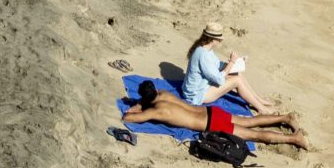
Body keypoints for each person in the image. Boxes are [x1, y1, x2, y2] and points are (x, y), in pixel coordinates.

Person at [120, 82, 308, 149]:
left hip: (210, 123)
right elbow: (148, 100)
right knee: (249, 121)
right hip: (210, 111)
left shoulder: (155, 111)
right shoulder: (163, 94)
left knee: (255, 135)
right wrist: (140, 103)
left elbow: (128, 119)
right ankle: (285, 117)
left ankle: (294, 139)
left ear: (145, 98)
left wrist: (133, 110)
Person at [181, 24, 278, 114]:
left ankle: (258, 100)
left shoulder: (206, 49)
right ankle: (261, 109)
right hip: (197, 94)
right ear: (213, 39)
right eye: (219, 39)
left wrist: (237, 62)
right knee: (237, 81)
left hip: (203, 85)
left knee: (237, 74)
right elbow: (218, 79)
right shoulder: (203, 54)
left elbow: (218, 65)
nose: (220, 41)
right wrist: (231, 62)